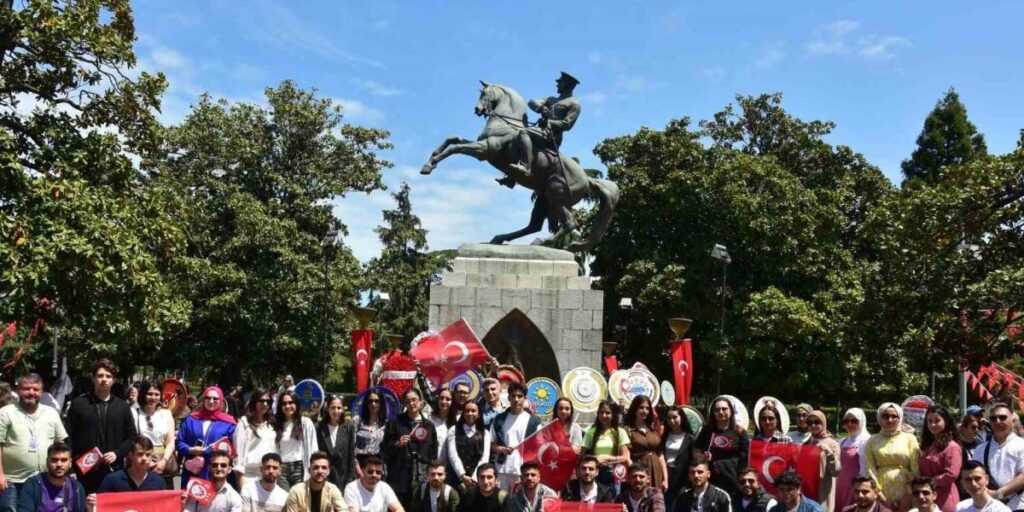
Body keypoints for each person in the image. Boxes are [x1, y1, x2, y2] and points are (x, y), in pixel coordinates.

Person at [64, 359, 138, 493]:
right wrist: (70, 467)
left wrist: (117, 453)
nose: (104, 379)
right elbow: (68, 437)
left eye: (108, 376)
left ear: (114, 380)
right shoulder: (79, 404)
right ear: (93, 378)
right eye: (100, 375)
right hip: (84, 472)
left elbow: (132, 437)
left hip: (114, 471)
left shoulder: (122, 407)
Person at [0, 373, 69, 510]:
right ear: (18, 390)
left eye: (36, 389)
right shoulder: (5, 413)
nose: (31, 392)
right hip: (12, 481)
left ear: (42, 392)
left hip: (43, 480)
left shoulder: (51, 413)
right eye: (26, 389)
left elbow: (61, 443)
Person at [502, 71, 582, 187]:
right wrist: (541, 108)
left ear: (568, 84)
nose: (557, 84)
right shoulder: (551, 99)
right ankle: (512, 177)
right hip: (540, 131)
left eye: (560, 82)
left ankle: (526, 167)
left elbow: (567, 124)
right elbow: (532, 102)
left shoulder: (574, 104)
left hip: (551, 136)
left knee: (523, 132)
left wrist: (549, 122)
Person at [177, 386, 238, 489]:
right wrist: (190, 450)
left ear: (221, 401)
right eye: (208, 398)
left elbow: (233, 450)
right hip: (193, 470)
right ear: (203, 399)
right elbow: (179, 442)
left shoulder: (229, 424)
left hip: (216, 472)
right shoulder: (191, 419)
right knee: (190, 502)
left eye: (215, 399)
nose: (211, 401)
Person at [384, 387, 437, 506]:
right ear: (404, 403)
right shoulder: (395, 422)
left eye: (414, 400)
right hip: (399, 477)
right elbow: (385, 447)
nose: (412, 403)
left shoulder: (429, 426)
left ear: (421, 401)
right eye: (408, 401)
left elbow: (433, 452)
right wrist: (397, 444)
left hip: (422, 478)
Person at [864, 403, 920, 512]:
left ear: (900, 417)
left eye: (894, 416)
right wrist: (880, 495)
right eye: (886, 416)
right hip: (881, 489)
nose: (890, 420)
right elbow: (870, 468)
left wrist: (908, 494)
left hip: (906, 489)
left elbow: (915, 468)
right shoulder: (872, 440)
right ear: (880, 418)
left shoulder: (910, 439)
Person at [970, 403, 1024, 511]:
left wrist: (998, 494)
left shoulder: (1021, 445)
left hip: (1018, 506)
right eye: (993, 418)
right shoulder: (980, 449)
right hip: (989, 507)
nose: (997, 421)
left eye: (1002, 417)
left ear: (1013, 421)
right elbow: (973, 475)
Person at [488, 382, 539, 491]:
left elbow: (539, 447)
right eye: (513, 396)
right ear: (509, 398)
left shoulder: (534, 421)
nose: (516, 399)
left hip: (524, 472)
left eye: (520, 396)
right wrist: (502, 449)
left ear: (525, 398)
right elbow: (490, 444)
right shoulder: (498, 420)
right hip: (502, 470)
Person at [695, 397, 749, 497]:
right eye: (717, 410)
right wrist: (703, 457)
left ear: (731, 411)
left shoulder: (740, 432)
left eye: (724, 409)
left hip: (733, 480)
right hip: (711, 479)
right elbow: (696, 451)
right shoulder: (707, 430)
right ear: (713, 413)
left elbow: (745, 458)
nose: (720, 412)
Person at [14, 443, 87, 512]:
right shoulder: (33, 486)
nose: (59, 464)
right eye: (54, 460)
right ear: (47, 462)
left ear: (70, 463)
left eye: (64, 460)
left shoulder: (77, 488)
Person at [582, 400, 631, 495]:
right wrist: (596, 459)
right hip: (594, 473)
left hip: (614, 474)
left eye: (608, 413)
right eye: (601, 412)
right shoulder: (591, 432)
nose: (604, 415)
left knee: (613, 503)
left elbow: (625, 457)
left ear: (613, 415)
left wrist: (607, 458)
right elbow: (582, 456)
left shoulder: (620, 432)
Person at [133, 380, 176, 485]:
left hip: (162, 461)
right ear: (143, 394)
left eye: (157, 394)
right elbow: (131, 439)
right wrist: (147, 460)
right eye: (150, 394)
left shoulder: (166, 414)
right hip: (140, 461)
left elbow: (170, 442)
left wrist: (164, 461)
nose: (153, 397)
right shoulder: (134, 412)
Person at [919, 406, 961, 512]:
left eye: (937, 420)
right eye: (929, 421)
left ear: (946, 421)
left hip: (944, 498)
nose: (933, 424)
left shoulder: (952, 447)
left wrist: (929, 482)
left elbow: (951, 475)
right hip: (926, 497)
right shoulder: (928, 445)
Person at [235, 388, 279, 489]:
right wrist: (241, 485)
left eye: (267, 401)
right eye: (261, 400)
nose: (264, 404)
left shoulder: (271, 423)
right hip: (250, 476)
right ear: (254, 402)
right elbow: (238, 457)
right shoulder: (244, 423)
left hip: (270, 476)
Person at [274, 389, 317, 490]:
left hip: (300, 467)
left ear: (296, 404)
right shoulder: (276, 424)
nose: (287, 406)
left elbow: (313, 447)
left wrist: (313, 468)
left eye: (291, 402)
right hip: (282, 468)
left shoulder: (305, 423)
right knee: (285, 500)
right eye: (284, 403)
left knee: (299, 499)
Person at [624, 396, 668, 492]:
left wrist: (665, 479)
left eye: (647, 408)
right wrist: (636, 473)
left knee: (656, 502)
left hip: (657, 471)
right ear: (634, 408)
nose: (645, 411)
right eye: (641, 407)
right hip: (639, 473)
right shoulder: (627, 430)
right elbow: (626, 457)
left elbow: (660, 456)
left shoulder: (653, 430)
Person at [445, 400, 490, 491]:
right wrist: (462, 475)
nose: (470, 413)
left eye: (473, 411)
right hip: (456, 478)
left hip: (477, 479)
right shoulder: (454, 430)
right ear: (463, 413)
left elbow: (485, 457)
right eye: (467, 410)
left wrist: (474, 477)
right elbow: (452, 454)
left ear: (479, 414)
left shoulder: (485, 433)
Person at [95, 436, 166, 492]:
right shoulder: (112, 480)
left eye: (148, 455)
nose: (144, 458)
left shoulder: (159, 482)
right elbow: (100, 504)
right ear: (131, 455)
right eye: (140, 454)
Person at [317, 394, 357, 488]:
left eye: (339, 408)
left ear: (343, 409)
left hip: (343, 479)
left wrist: (350, 479)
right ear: (328, 409)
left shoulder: (348, 427)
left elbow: (351, 454)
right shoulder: (319, 427)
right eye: (333, 408)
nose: (336, 411)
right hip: (324, 477)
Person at [806, 410, 841, 512]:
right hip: (809, 488)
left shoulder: (832, 444)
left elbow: (836, 471)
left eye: (817, 422)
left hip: (823, 489)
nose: (813, 425)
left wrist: (829, 453)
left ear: (823, 423)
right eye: (810, 422)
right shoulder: (807, 443)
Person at [836, 409, 871, 510]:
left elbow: (866, 467)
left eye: (854, 421)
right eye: (846, 421)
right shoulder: (842, 442)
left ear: (862, 422)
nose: (849, 424)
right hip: (841, 485)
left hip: (856, 486)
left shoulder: (867, 441)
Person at [662, 406, 695, 510]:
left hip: (682, 478)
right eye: (669, 418)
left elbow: (692, 460)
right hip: (666, 475)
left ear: (682, 417)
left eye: (675, 417)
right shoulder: (664, 436)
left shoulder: (690, 438)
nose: (672, 421)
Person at [354, 389, 388, 477]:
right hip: (359, 465)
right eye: (370, 401)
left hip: (377, 467)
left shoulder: (386, 424)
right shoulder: (357, 421)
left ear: (381, 403)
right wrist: (357, 467)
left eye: (377, 401)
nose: (373, 404)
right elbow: (350, 446)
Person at [428, 389, 454, 461]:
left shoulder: (456, 422)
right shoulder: (429, 420)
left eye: (448, 399)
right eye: (441, 398)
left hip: (448, 467)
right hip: (430, 465)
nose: (444, 401)